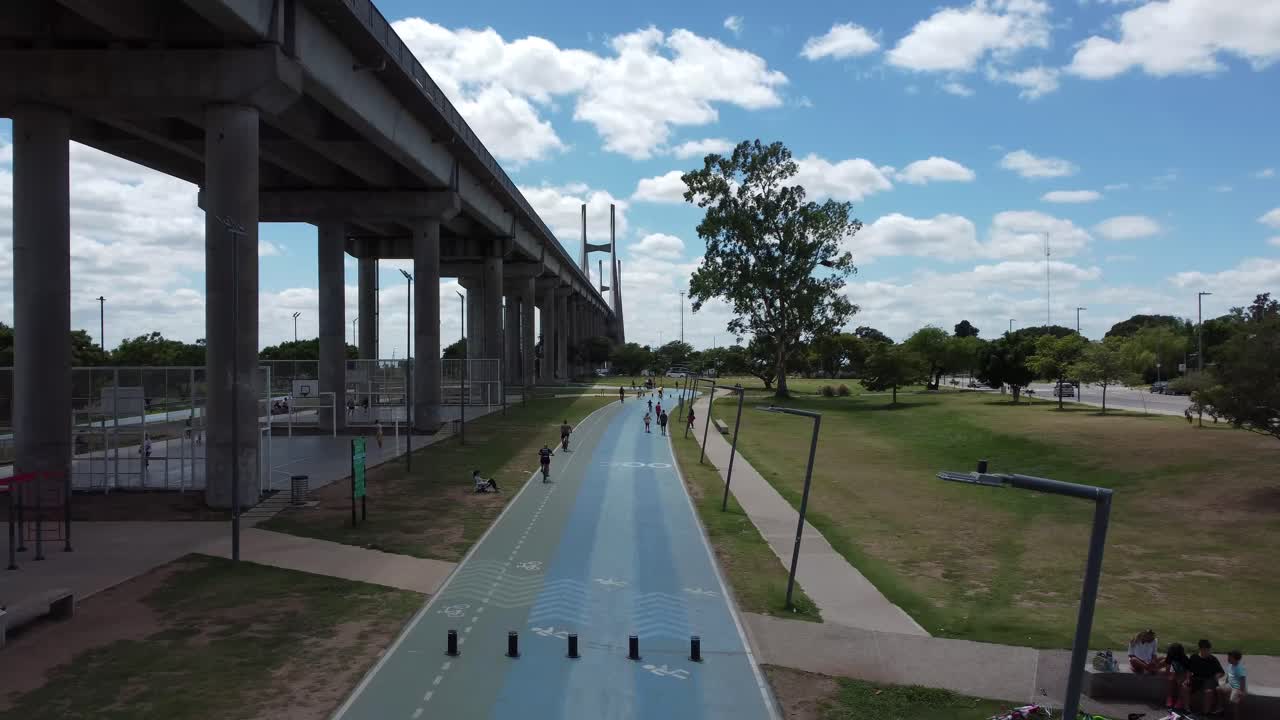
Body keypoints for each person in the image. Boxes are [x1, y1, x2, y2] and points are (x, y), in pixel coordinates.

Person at [1184, 638, 1225, 714]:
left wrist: (1217, 677)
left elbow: (1221, 672)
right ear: (1201, 649)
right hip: (1196, 678)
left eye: (1209, 650)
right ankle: (1187, 709)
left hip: (1209, 679)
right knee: (1185, 687)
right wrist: (1187, 678)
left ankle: (1205, 712)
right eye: (1206, 650)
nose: (1208, 652)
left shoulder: (1213, 659)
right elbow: (1188, 670)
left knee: (1208, 692)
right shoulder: (1194, 657)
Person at [1218, 650, 1247, 719]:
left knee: (1233, 701)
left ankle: (1236, 717)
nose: (1228, 659)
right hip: (1230, 685)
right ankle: (1221, 708)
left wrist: (1241, 691)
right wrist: (1225, 683)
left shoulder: (1240, 668)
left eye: (1230, 658)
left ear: (1235, 659)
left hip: (1237, 688)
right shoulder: (1230, 665)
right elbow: (1228, 675)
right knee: (1218, 689)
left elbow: (1243, 680)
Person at [1165, 642, 1190, 710]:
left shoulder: (1184, 658)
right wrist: (1168, 674)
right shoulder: (1170, 655)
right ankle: (1169, 698)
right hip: (1175, 671)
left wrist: (1187, 679)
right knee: (1170, 679)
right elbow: (1168, 665)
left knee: (1180, 682)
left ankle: (1180, 700)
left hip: (1183, 673)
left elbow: (1188, 670)